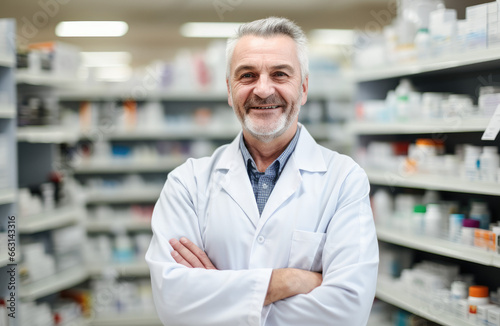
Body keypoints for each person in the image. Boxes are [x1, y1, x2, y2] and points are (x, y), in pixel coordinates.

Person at [146, 17, 378, 326]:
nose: (264, 89)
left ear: (304, 87)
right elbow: (174, 305)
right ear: (230, 90)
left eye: (280, 74)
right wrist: (290, 281)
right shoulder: (187, 184)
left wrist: (220, 295)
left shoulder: (344, 180)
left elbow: (348, 311)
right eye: (248, 75)